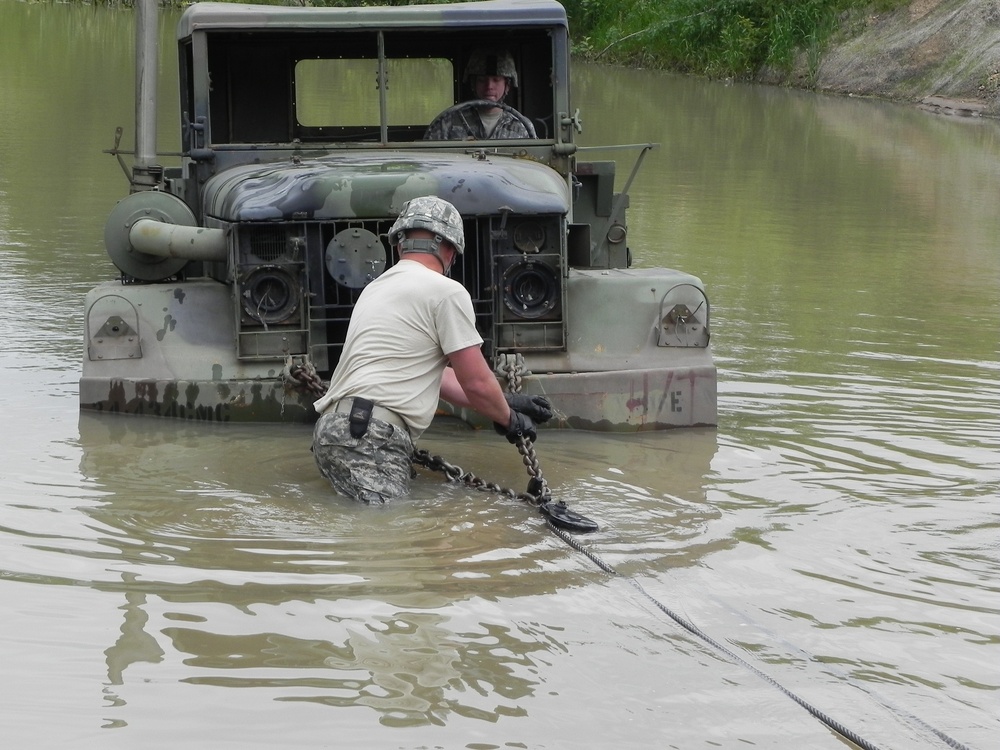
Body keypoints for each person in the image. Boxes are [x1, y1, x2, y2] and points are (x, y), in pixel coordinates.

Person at [312, 195, 553, 504]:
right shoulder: (446, 292)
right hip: (371, 437)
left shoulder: (375, 288)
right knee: (386, 539)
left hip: (333, 432)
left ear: (399, 245)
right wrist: (509, 420)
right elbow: (476, 383)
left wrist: (503, 402)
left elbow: (433, 376)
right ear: (450, 250)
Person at [424, 48, 536, 141]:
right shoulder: (448, 123)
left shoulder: (522, 127)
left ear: (507, 85)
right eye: (482, 80)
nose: (489, 86)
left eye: (496, 80)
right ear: (474, 84)